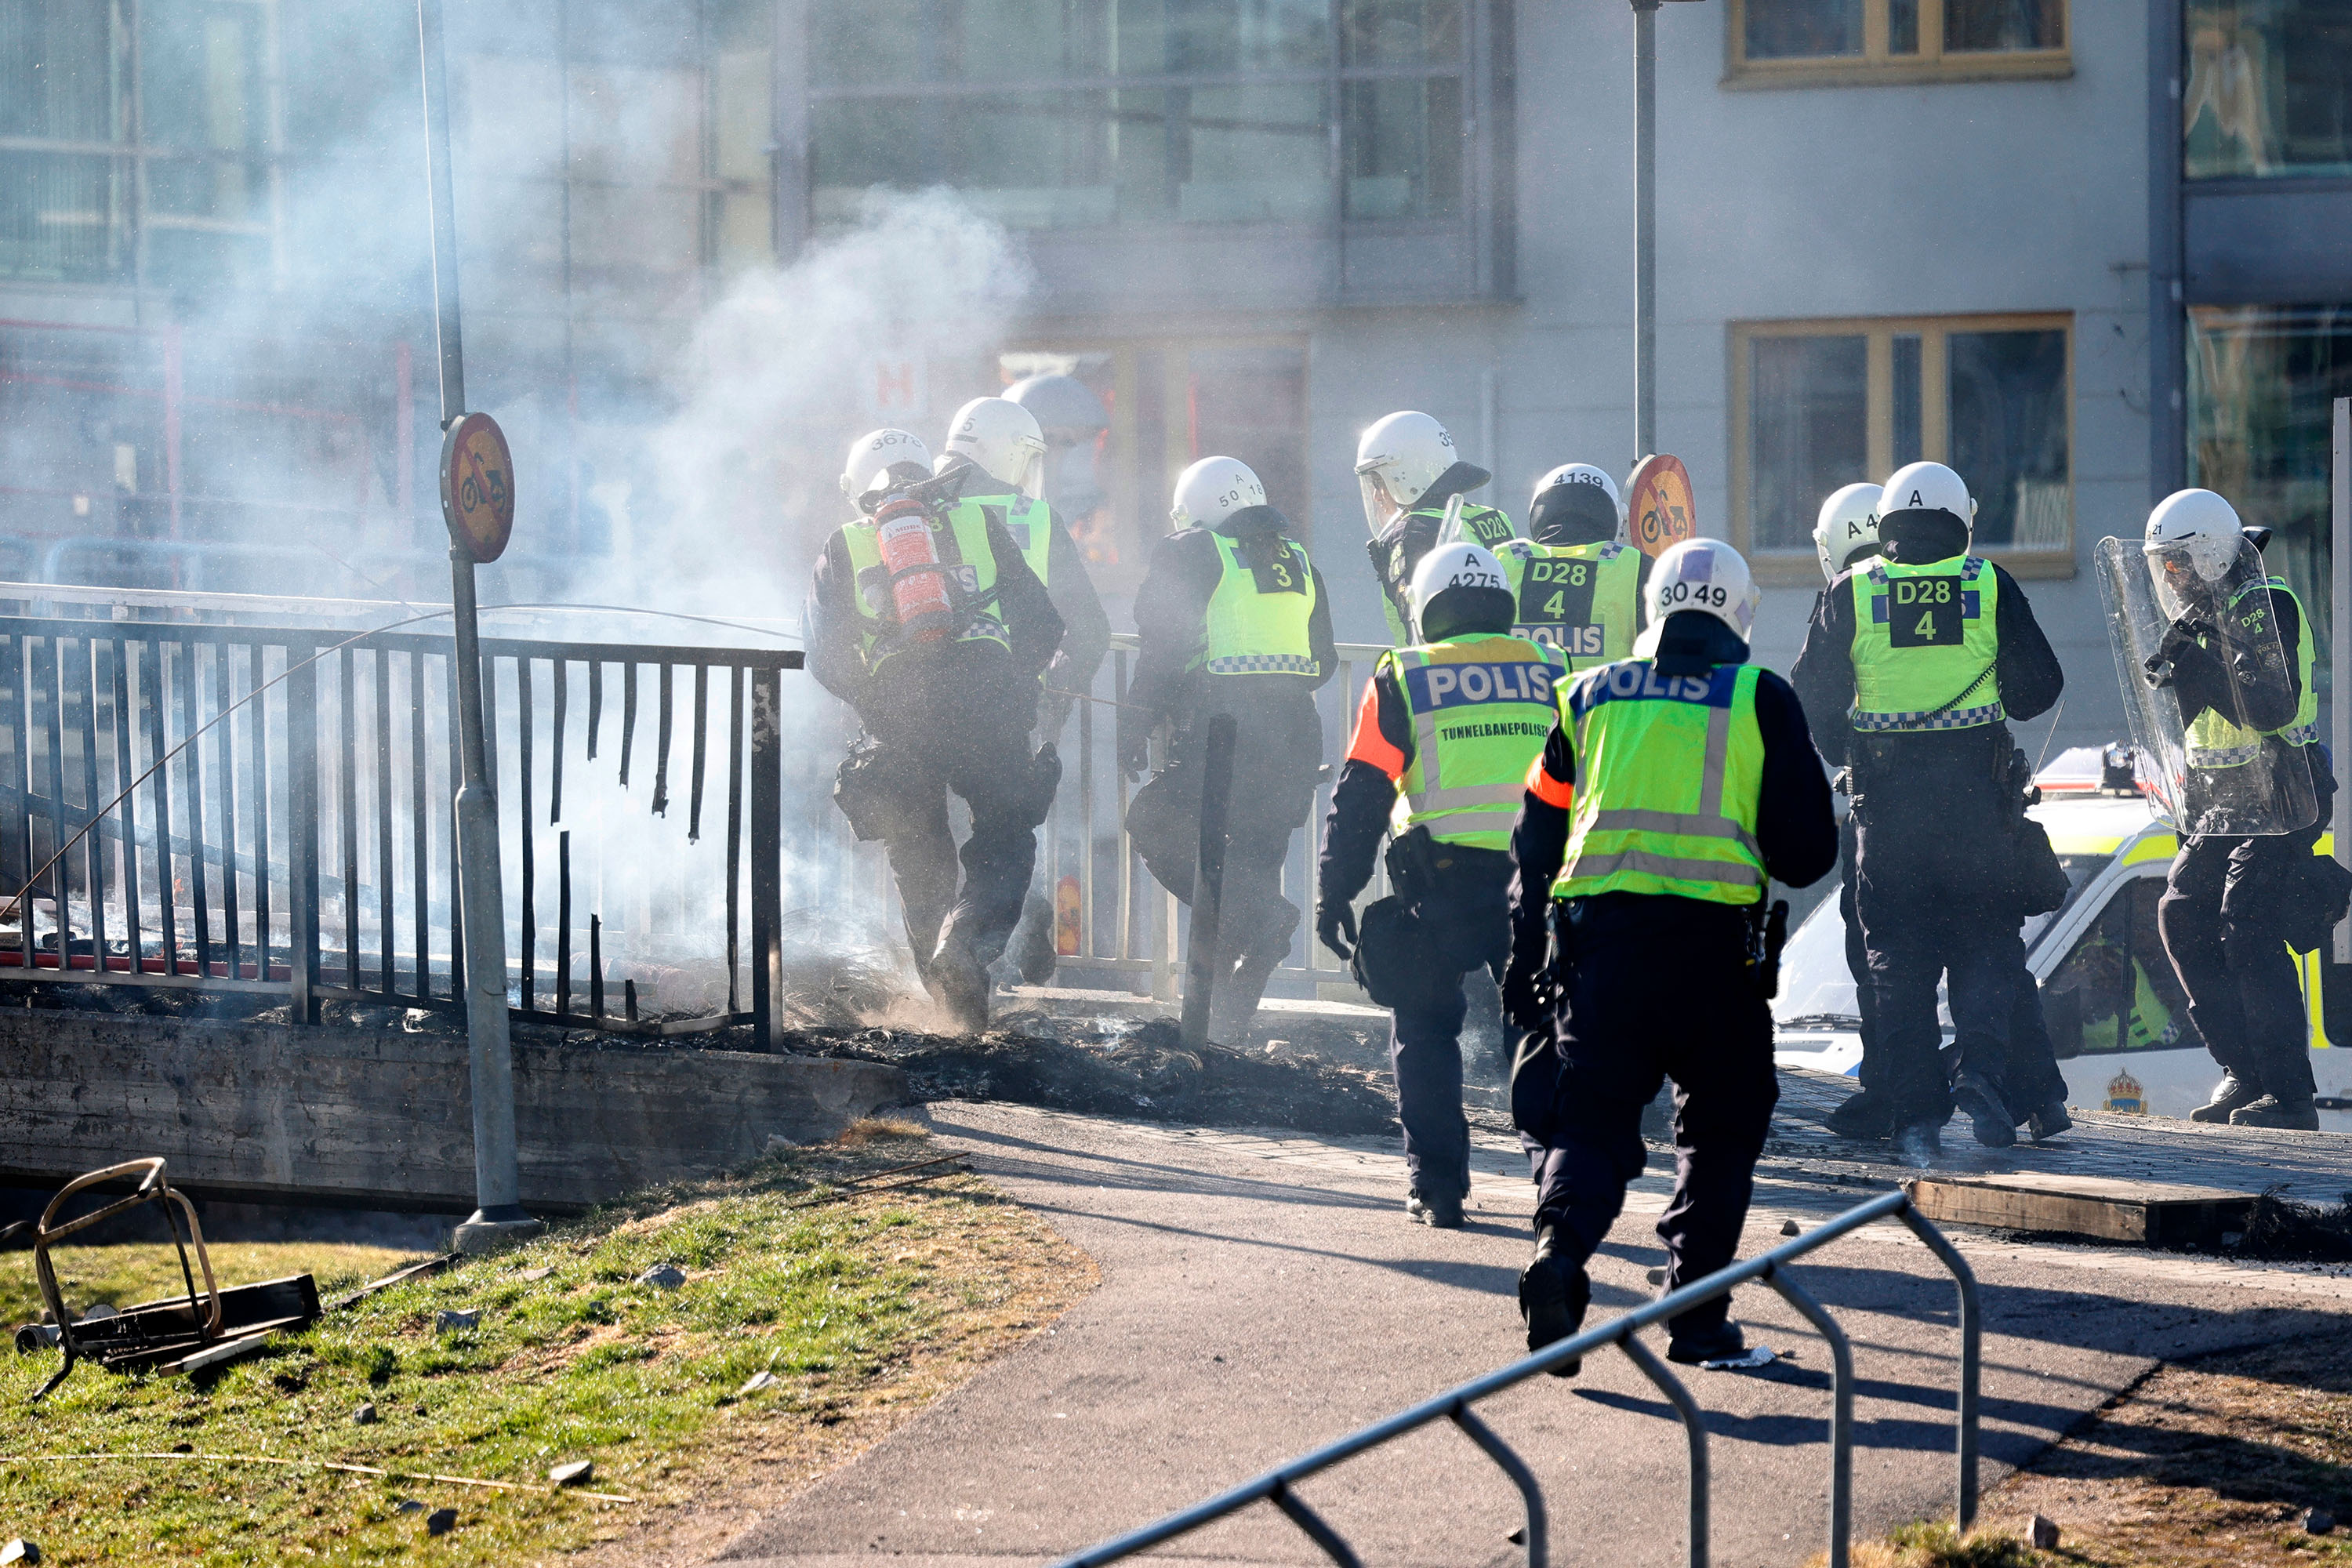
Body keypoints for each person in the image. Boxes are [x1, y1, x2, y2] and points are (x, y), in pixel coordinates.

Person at [1506, 537, 1835, 1367]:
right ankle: (1695, 1319)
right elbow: (1806, 853)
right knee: (1722, 1128)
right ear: (1742, 614)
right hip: (1711, 961)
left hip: (1597, 953)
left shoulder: (1586, 694)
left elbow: (1535, 838)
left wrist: (1522, 952)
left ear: (1655, 604)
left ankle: (1560, 1253)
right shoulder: (1760, 696)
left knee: (1591, 1120)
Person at [1791, 462, 2066, 1167]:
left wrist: (1847, 754)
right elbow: (2040, 690)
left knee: (1896, 964)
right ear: (1962, 522)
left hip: (1888, 816)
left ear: (1885, 526)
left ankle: (1915, 1118)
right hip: (1978, 810)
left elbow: (1812, 697)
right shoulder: (1988, 584)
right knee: (1985, 942)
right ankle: (1981, 1073)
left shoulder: (1850, 590)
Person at [1315, 543, 1564, 1228]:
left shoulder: (1407, 672)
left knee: (1424, 1028)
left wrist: (1336, 887)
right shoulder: (1553, 669)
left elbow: (1364, 787)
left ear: (1427, 606)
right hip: (1540, 883)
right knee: (1541, 1031)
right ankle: (1556, 1184)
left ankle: (1439, 1188)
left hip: (1443, 886)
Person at [805, 427, 1065, 1031]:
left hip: (901, 714)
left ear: (857, 486)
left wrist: (872, 700)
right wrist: (1014, 680)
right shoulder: (977, 524)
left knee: (918, 850)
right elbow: (1044, 623)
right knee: (1004, 834)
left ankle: (955, 1011)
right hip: (989, 702)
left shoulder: (844, 543)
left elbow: (824, 654)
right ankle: (967, 944)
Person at [1122, 456, 1336, 1046]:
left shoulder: (1194, 551)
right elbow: (1325, 660)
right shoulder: (1299, 561)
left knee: (1154, 821)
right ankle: (1221, 1032)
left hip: (1229, 735)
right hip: (1295, 735)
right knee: (1251, 874)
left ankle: (1265, 924)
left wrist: (1135, 723)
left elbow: (1161, 647)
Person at [2140, 488, 2336, 1131]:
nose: (2171, 576)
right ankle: (2244, 1073)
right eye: (2162, 565)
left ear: (2213, 554)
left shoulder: (2265, 605)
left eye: (2179, 562)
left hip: (2285, 788)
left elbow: (2272, 707)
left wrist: (2194, 663)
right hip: (2223, 800)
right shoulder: (2197, 619)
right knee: (2182, 914)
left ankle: (2289, 1096)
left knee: (2246, 921)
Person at [935, 395, 1113, 983]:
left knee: (934, 846)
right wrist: (1055, 695)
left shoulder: (907, 514)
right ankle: (992, 957)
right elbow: (1087, 628)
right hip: (1013, 710)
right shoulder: (1033, 517)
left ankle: (947, 978)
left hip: (921, 708)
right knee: (1005, 838)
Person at [1356, 411, 1515, 644]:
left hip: (1441, 671)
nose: (1377, 497)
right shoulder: (1492, 518)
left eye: (1379, 482)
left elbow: (1419, 627)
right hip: (1504, 660)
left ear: (1405, 473)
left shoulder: (1413, 532)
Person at [1492, 463, 1650, 673]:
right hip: (1599, 704)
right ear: (1616, 518)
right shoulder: (1639, 567)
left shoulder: (1498, 560)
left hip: (1525, 705)